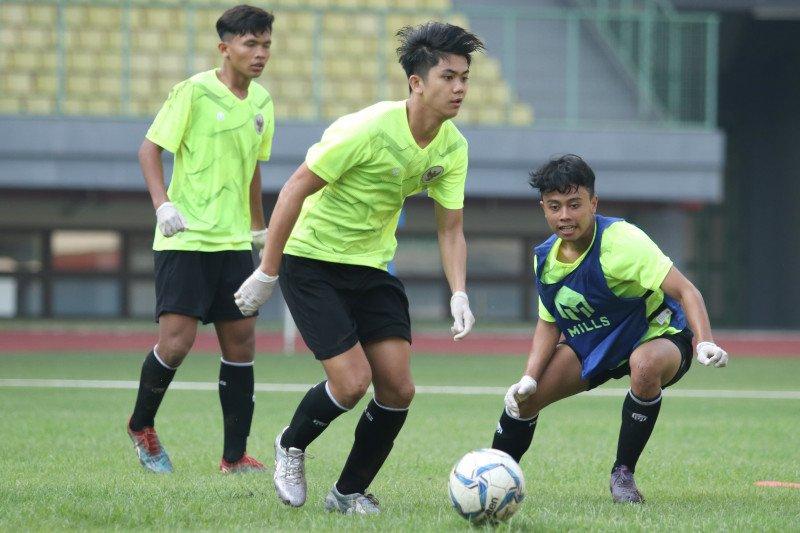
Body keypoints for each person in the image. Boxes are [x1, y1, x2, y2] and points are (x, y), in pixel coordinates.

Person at [233, 22, 484, 514]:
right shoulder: (367, 128)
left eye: (465, 78)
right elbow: (295, 188)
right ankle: (291, 443)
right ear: (417, 83)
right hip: (313, 261)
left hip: (371, 267)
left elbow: (450, 228)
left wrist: (460, 293)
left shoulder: (453, 147)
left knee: (398, 388)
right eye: (449, 76)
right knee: (350, 383)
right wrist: (267, 271)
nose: (459, 88)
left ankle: (347, 492)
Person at [491, 154, 729, 503]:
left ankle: (623, 474)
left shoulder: (622, 241)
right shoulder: (545, 258)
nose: (565, 216)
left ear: (593, 202)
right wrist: (529, 377)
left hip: (656, 333)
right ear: (543, 207)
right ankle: (493, 476)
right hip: (595, 342)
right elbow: (549, 323)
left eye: (575, 204)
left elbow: (686, 291)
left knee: (644, 366)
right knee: (523, 402)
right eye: (555, 206)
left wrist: (704, 341)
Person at [126, 5, 275, 474]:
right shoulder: (192, 91)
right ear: (225, 47)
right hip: (185, 238)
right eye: (250, 44)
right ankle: (141, 426)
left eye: (266, 44)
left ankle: (233, 458)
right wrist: (163, 205)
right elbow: (149, 149)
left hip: (233, 244)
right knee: (176, 344)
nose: (260, 53)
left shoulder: (263, 103)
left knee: (242, 345)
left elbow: (254, 168)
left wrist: (259, 229)